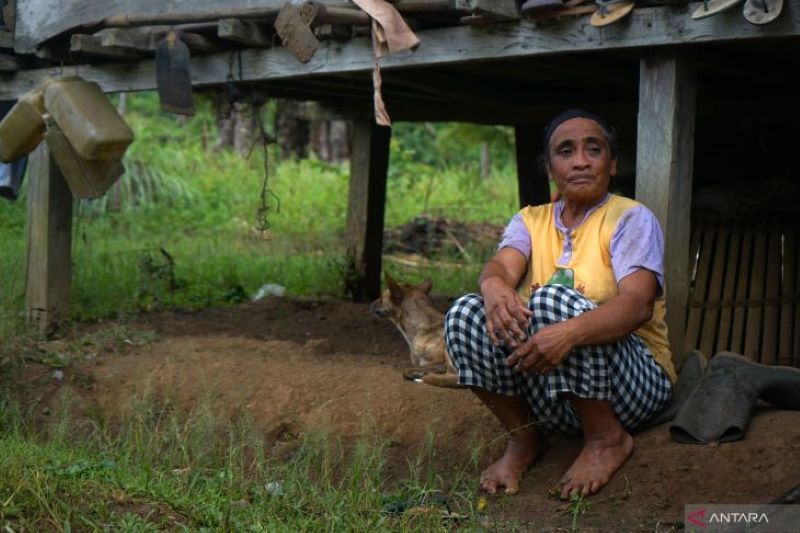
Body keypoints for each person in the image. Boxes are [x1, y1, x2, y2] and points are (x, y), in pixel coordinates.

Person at [444, 109, 676, 499]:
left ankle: (606, 439)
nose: (580, 160)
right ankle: (525, 438)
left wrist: (567, 333)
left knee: (551, 299)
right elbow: (501, 265)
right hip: (554, 394)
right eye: (565, 151)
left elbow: (638, 306)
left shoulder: (630, 218)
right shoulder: (530, 220)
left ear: (612, 163)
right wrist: (493, 285)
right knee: (464, 314)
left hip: (634, 386)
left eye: (594, 149)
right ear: (550, 167)